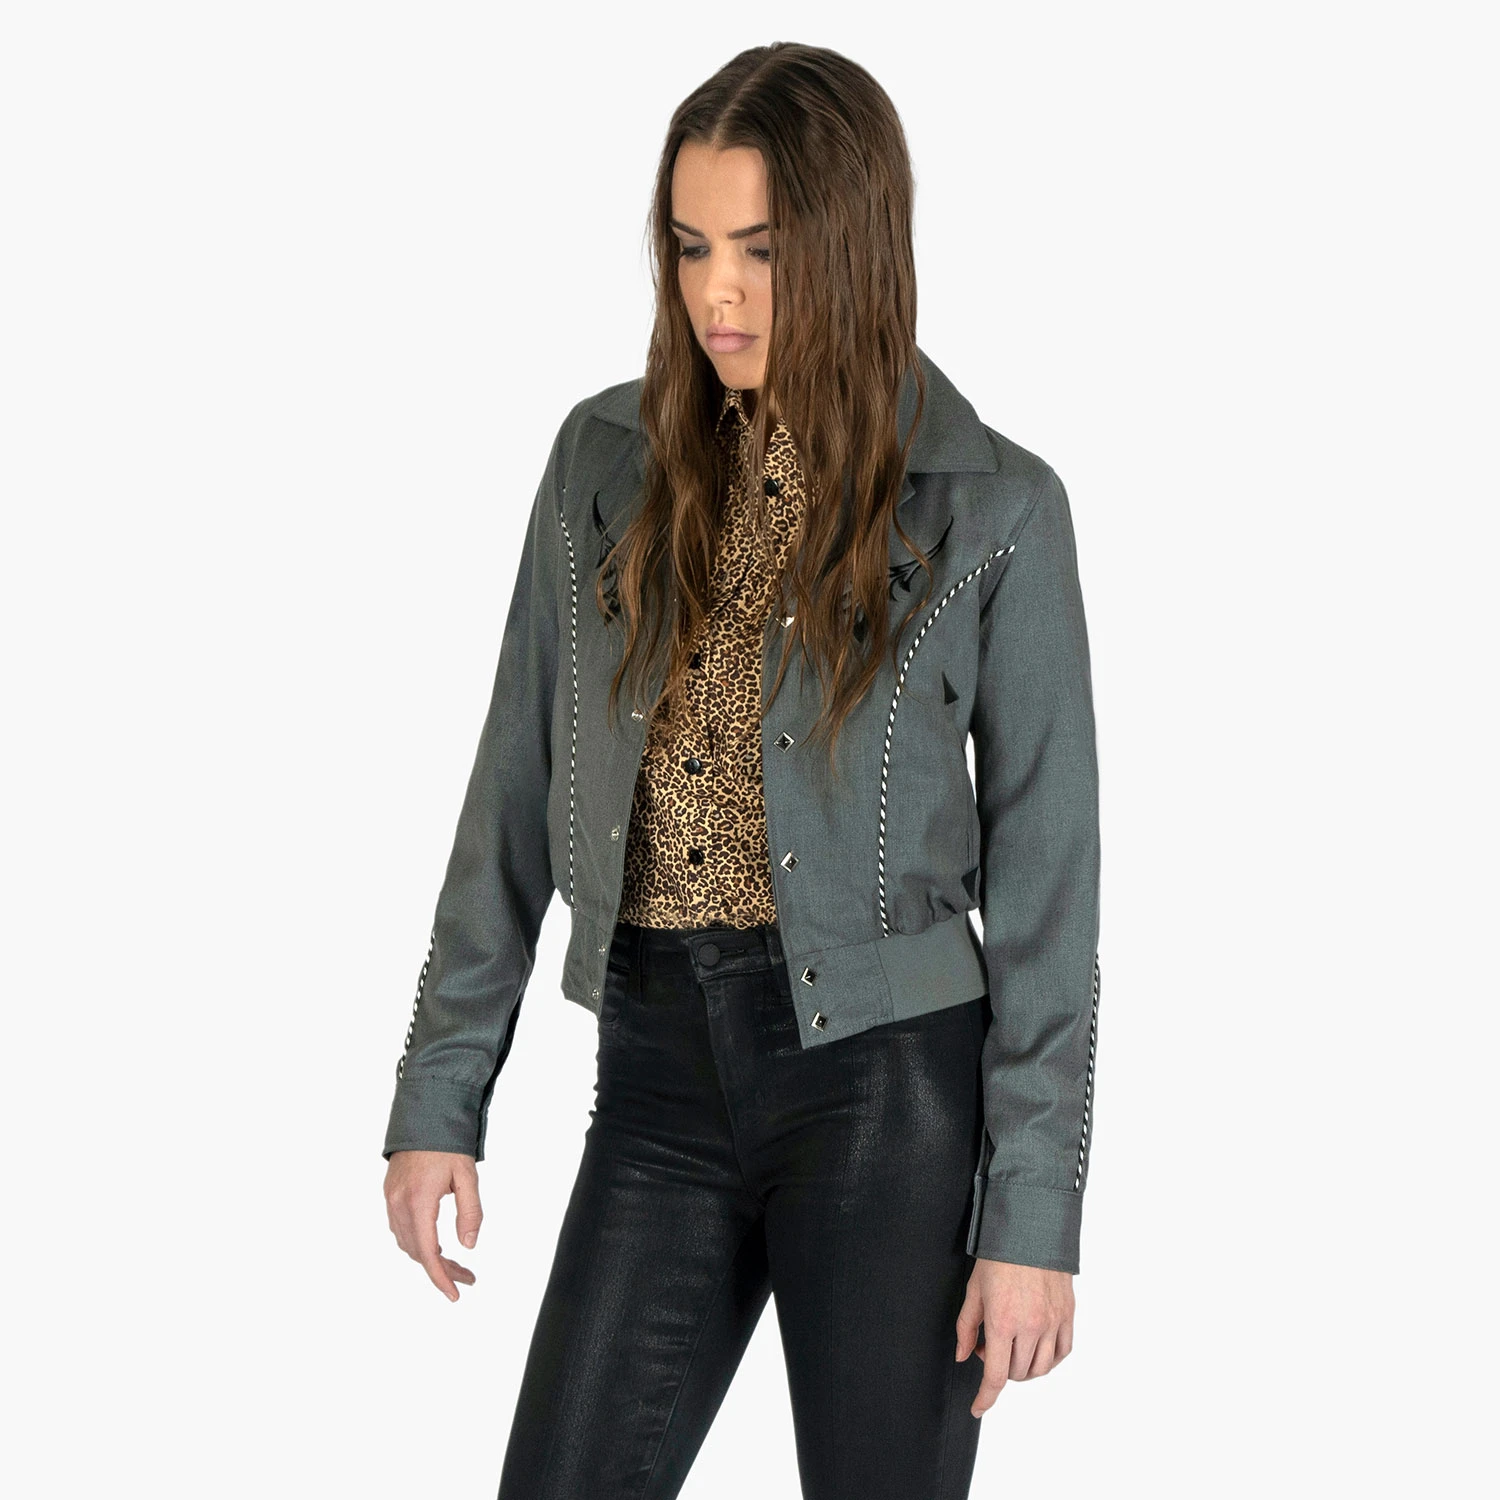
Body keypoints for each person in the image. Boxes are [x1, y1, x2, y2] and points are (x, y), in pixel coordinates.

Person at [381, 41, 1102, 1500]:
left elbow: (1048, 895)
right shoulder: (603, 462)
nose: (718, 293)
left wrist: (1032, 1218)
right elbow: (511, 784)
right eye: (692, 245)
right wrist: (438, 1093)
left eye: (762, 252)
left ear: (852, 244)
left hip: (887, 1093)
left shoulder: (995, 509)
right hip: (656, 1078)